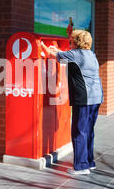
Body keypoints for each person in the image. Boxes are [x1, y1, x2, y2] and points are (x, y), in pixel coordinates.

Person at [41, 29, 103, 175]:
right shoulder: (90, 54)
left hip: (84, 98)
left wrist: (43, 45)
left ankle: (81, 166)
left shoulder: (75, 54)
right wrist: (57, 50)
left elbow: (53, 55)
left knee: (79, 131)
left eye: (71, 41)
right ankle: (89, 161)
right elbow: (63, 56)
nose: (70, 43)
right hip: (96, 97)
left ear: (76, 42)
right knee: (88, 131)